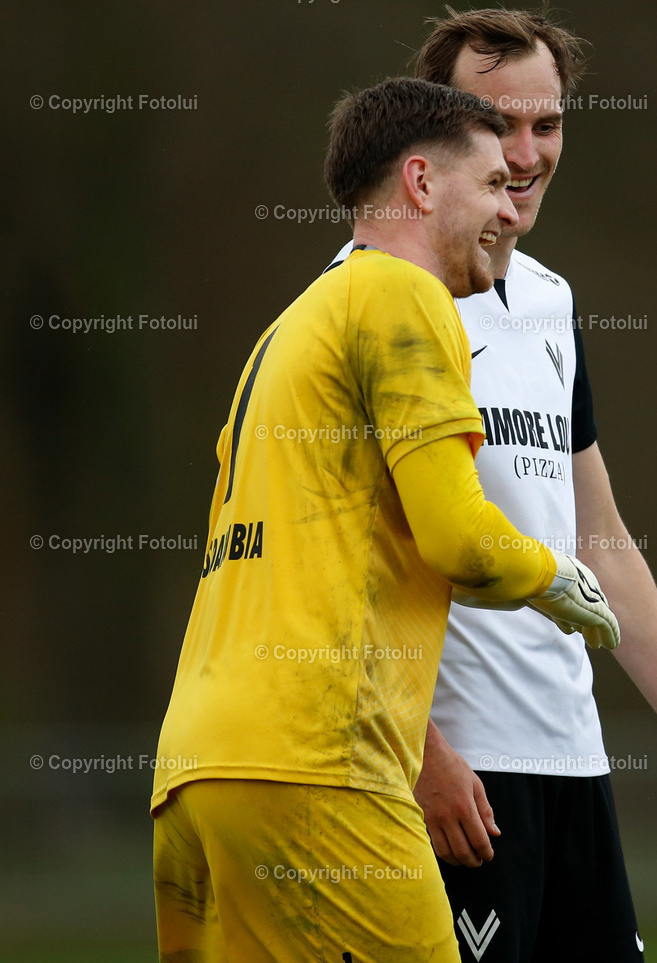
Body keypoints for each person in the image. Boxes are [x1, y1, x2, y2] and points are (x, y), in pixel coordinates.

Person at [330, 8, 657, 961]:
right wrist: (421, 753)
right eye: (500, 126)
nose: (526, 155)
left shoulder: (550, 300)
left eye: (549, 123)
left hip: (573, 764)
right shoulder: (371, 296)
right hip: (453, 784)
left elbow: (598, 539)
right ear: (435, 138)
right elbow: (325, 565)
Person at [150, 77, 620, 963]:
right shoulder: (405, 297)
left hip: (196, 772)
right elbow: (461, 541)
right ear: (421, 182)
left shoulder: (288, 330)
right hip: (315, 766)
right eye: (492, 184)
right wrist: (556, 578)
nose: (511, 212)